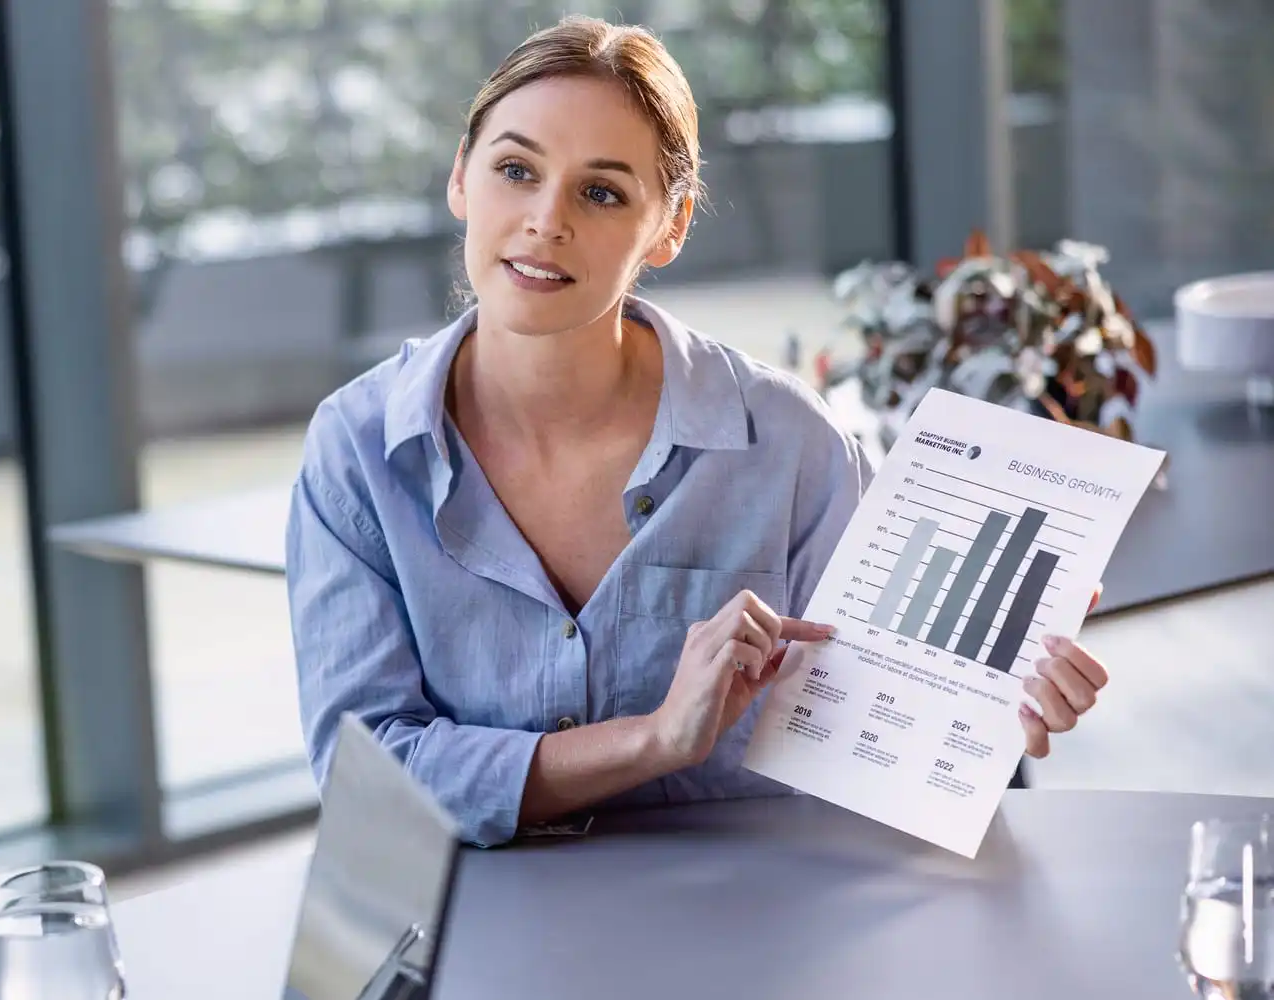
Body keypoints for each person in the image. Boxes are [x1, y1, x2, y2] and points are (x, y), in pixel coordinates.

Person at [285, 15, 1110, 848]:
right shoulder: (356, 451)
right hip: (482, 946)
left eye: (600, 191)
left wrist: (991, 705)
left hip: (759, 935)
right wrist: (653, 740)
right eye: (514, 170)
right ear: (461, 179)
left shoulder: (786, 443)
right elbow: (369, 779)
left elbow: (883, 726)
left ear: (671, 225)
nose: (545, 220)